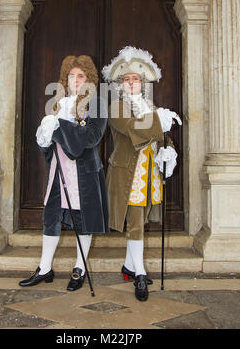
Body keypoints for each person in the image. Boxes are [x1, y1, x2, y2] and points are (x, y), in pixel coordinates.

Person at [19, 55, 109, 291]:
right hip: (58, 171)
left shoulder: (96, 104)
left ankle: (79, 268)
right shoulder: (58, 104)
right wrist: (46, 136)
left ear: (89, 79)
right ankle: (45, 268)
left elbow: (91, 138)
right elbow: (49, 145)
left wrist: (58, 128)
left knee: (83, 222)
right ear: (65, 78)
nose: (76, 80)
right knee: (50, 218)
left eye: (81, 76)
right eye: (72, 75)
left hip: (84, 173)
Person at [102, 46, 180, 302]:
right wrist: (160, 122)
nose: (131, 82)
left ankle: (128, 266)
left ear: (142, 83)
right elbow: (134, 129)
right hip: (129, 175)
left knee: (140, 221)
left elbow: (161, 137)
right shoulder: (117, 108)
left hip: (149, 174)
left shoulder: (151, 107)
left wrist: (168, 151)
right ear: (120, 84)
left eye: (136, 79)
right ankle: (140, 274)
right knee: (135, 225)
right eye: (127, 79)